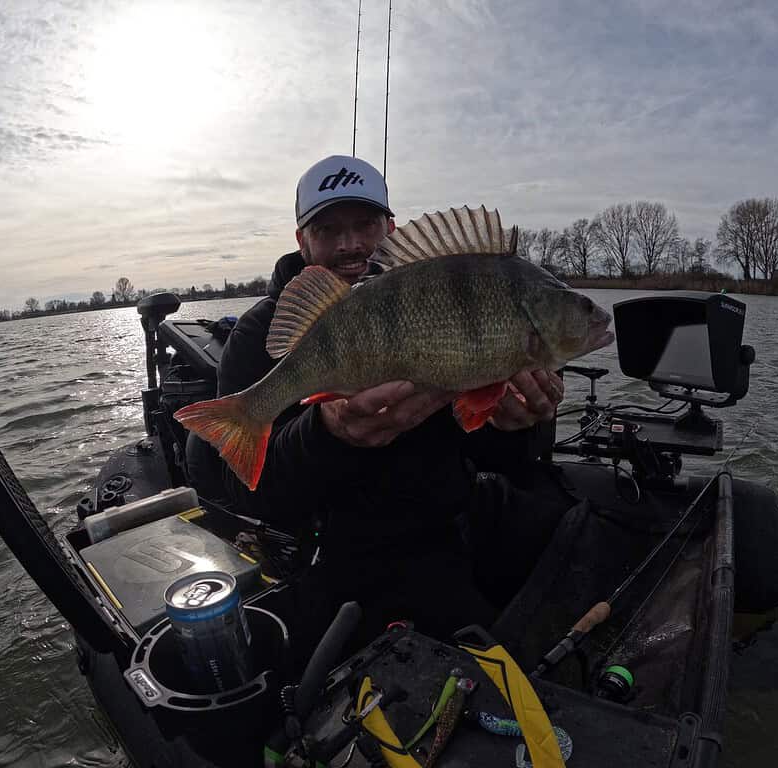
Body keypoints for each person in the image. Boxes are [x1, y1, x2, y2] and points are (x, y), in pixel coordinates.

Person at [188, 155, 578, 640]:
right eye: (328, 229)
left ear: (391, 229)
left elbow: (493, 455)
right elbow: (251, 492)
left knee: (581, 546)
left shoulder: (439, 296)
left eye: (365, 225)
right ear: (301, 241)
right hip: (339, 550)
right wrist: (327, 434)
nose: (350, 244)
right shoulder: (260, 333)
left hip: (451, 522)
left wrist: (521, 425)